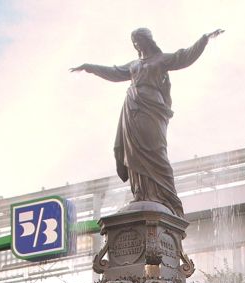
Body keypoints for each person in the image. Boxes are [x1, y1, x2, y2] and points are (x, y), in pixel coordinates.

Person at [71, 28, 224, 217]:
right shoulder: (134, 64)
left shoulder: (161, 60)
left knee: (156, 150)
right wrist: (90, 67)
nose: (136, 44)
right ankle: (142, 193)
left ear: (148, 40)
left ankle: (166, 196)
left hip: (152, 108)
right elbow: (114, 72)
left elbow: (184, 57)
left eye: (139, 39)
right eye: (134, 41)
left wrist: (204, 39)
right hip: (132, 108)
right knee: (134, 151)